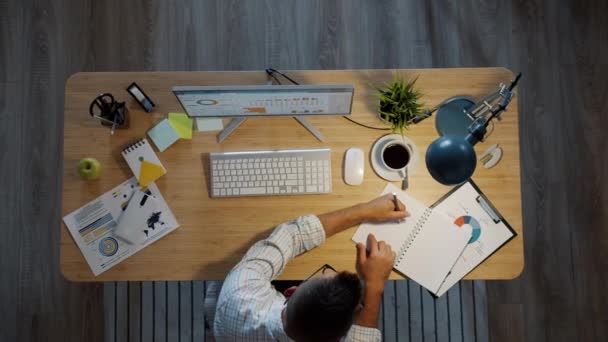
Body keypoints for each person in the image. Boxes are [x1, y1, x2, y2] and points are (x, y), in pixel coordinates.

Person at [208, 194, 409, 341]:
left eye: (324, 273)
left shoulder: (240, 293)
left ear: (291, 290)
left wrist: (364, 210)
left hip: (227, 324)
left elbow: (291, 235)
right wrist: (374, 284)